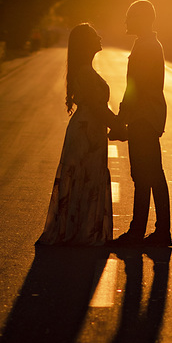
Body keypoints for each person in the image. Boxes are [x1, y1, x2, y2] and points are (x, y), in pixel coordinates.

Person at [37, 23, 120, 246]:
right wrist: (120, 127)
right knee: (86, 178)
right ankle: (81, 233)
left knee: (87, 178)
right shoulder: (85, 73)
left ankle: (82, 231)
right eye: (94, 35)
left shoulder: (86, 71)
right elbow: (98, 108)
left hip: (90, 131)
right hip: (86, 133)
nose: (99, 37)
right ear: (85, 44)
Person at [113, 0, 171, 247]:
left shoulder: (147, 47)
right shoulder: (147, 44)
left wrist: (120, 119)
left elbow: (134, 87)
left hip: (144, 118)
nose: (127, 21)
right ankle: (158, 231)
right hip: (148, 116)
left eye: (131, 17)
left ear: (143, 19)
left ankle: (139, 233)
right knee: (152, 174)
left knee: (145, 175)